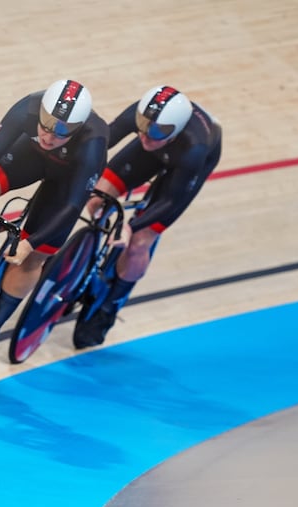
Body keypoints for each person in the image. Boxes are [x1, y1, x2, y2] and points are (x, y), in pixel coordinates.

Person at [0, 79, 110, 373]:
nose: (50, 135)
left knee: (33, 255)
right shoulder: (28, 107)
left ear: (76, 129)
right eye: (47, 124)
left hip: (66, 182)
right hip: (30, 157)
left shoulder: (93, 142)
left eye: (62, 130)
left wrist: (30, 242)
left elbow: (71, 207)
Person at [73, 85, 223, 348]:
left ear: (173, 131)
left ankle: (109, 307)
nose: (146, 135)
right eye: (143, 125)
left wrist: (131, 227)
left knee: (140, 240)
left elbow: (169, 200)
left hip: (190, 163)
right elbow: (102, 142)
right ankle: (88, 258)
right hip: (162, 148)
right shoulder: (146, 122)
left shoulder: (194, 147)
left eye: (156, 131)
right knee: (97, 197)